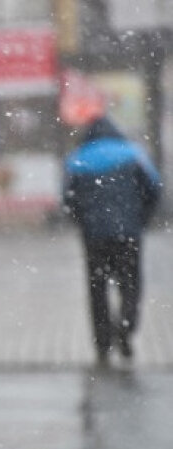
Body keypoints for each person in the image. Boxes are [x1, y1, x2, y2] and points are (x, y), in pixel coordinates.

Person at [63, 115, 163, 365]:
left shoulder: (78, 158)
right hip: (129, 233)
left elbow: (67, 198)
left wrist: (83, 222)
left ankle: (103, 345)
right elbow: (154, 188)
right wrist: (141, 218)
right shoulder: (133, 154)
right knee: (131, 285)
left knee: (97, 290)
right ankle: (126, 328)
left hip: (94, 237)